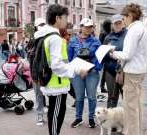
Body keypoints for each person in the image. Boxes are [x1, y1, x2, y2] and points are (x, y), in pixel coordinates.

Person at [34, 4, 88, 135]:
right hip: (56, 83)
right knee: (56, 115)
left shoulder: (46, 35)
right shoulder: (55, 38)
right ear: (57, 18)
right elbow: (57, 65)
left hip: (55, 82)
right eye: (65, 17)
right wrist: (76, 70)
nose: (66, 20)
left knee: (55, 113)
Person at [110, 3, 147, 135]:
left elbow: (127, 54)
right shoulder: (144, 27)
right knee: (137, 105)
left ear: (130, 16)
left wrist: (112, 53)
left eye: (124, 18)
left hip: (132, 71)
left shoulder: (133, 30)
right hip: (140, 69)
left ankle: (132, 132)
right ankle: (136, 131)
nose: (123, 21)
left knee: (130, 107)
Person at [68, 18, 102, 128]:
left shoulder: (96, 41)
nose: (88, 29)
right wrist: (75, 70)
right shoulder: (73, 41)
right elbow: (69, 58)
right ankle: (78, 118)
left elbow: (99, 59)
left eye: (90, 27)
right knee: (79, 97)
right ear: (81, 26)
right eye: (86, 26)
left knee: (92, 97)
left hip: (92, 73)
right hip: (77, 73)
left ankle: (91, 118)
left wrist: (88, 69)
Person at [27, 18, 48, 126]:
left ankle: (51, 114)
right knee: (38, 95)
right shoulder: (33, 40)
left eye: (43, 24)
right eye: (40, 25)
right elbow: (29, 57)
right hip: (36, 73)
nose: (42, 26)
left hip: (48, 72)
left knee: (51, 94)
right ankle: (40, 116)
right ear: (36, 27)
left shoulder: (49, 38)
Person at [103, 14, 127, 108]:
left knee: (126, 96)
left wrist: (116, 54)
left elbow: (129, 53)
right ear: (112, 25)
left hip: (124, 70)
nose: (117, 25)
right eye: (115, 23)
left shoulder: (128, 35)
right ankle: (110, 119)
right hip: (110, 71)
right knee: (111, 96)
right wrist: (107, 53)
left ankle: (127, 120)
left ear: (123, 23)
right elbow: (103, 55)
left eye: (119, 23)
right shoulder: (108, 37)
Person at [99, 20, 112, 93]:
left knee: (105, 71)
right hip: (104, 54)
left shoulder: (104, 32)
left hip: (105, 53)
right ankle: (102, 86)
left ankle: (102, 86)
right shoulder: (104, 33)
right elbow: (101, 44)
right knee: (105, 71)